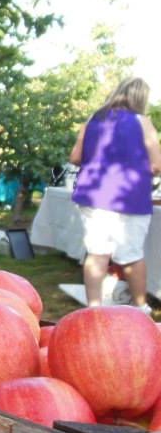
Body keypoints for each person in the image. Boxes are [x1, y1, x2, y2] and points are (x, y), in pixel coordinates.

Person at [69, 77, 161, 311]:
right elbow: (157, 164)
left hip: (94, 196)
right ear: (141, 98)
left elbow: (75, 158)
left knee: (97, 253)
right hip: (129, 196)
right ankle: (141, 308)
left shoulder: (92, 120)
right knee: (131, 255)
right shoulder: (143, 122)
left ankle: (94, 309)